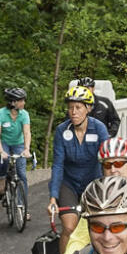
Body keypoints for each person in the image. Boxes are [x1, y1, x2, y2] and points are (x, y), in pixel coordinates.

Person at [49, 84, 109, 241]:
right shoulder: (62, 130)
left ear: (88, 108)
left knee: (96, 227)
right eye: (70, 108)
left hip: (93, 183)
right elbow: (58, 165)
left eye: (78, 107)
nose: (73, 112)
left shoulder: (99, 128)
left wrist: (109, 189)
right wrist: (53, 198)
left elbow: (107, 160)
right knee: (69, 228)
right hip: (69, 184)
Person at [0, 86, 33, 202]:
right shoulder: (0, 114)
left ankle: (22, 208)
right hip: (3, 142)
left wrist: (26, 149)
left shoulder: (24, 114)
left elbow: (26, 132)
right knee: (4, 159)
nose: (23, 103)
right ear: (13, 102)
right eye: (21, 100)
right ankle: (2, 179)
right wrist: (1, 151)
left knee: (22, 175)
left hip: (18, 143)